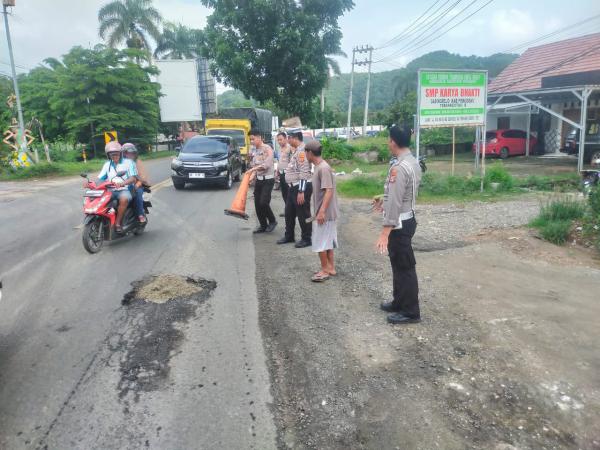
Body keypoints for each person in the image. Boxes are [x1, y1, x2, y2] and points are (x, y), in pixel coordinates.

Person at [374, 125, 422, 325]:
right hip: (406, 218)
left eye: (388, 139)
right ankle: (399, 302)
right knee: (398, 265)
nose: (388, 142)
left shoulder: (399, 168)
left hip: (399, 224)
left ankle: (410, 312)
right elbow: (400, 195)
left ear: (393, 141)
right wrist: (382, 199)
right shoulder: (412, 161)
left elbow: (395, 202)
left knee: (404, 268)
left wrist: (385, 232)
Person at [305, 141, 339, 282]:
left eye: (305, 152)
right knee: (328, 241)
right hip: (325, 212)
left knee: (319, 242)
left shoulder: (323, 168)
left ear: (310, 153)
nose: (305, 155)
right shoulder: (319, 167)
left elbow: (329, 190)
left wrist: (321, 212)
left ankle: (325, 270)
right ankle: (330, 267)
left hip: (325, 213)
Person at [277, 130, 312, 248]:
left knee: (303, 214)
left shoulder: (302, 152)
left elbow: (304, 171)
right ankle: (289, 235)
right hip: (293, 187)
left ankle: (307, 238)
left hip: (300, 187)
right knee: (289, 212)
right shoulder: (296, 151)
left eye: (289, 138)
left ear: (295, 138)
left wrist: (301, 191)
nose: (288, 140)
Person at [96, 142, 138, 233]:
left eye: (116, 153)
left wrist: (122, 183)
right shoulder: (107, 165)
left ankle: (117, 223)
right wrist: (91, 184)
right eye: (112, 154)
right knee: (99, 201)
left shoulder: (128, 163)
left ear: (120, 153)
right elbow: (100, 178)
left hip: (125, 189)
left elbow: (133, 178)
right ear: (108, 155)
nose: (114, 156)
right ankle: (104, 220)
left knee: (124, 200)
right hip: (110, 190)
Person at [247, 129, 277, 233]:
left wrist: (253, 170)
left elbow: (266, 165)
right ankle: (263, 225)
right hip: (259, 180)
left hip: (268, 180)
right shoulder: (254, 150)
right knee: (257, 204)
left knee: (263, 203)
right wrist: (251, 177)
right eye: (250, 140)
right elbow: (254, 165)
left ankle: (272, 221)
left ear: (259, 137)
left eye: (253, 139)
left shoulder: (267, 148)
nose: (251, 142)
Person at [123, 143, 150, 223]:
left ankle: (140, 214)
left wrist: (138, 183)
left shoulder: (137, 162)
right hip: (122, 185)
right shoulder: (119, 163)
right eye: (128, 153)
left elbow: (143, 176)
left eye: (132, 153)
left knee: (137, 193)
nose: (130, 155)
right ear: (123, 154)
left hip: (136, 185)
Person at [277, 131, 292, 209]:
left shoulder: (290, 148)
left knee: (289, 193)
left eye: (281, 139)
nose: (279, 141)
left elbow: (292, 161)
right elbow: (279, 160)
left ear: (286, 139)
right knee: (284, 193)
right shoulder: (279, 149)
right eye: (278, 140)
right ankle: (287, 209)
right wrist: (277, 171)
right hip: (281, 174)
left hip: (288, 174)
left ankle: (290, 210)